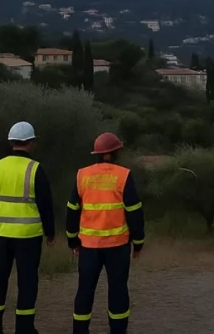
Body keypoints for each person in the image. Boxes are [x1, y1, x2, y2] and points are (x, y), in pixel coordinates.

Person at [0, 121, 56, 334]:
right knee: (27, 283)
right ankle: (24, 328)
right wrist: (50, 232)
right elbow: (45, 204)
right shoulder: (35, 169)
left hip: (1, 236)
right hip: (28, 237)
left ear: (11, 142)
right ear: (31, 143)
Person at [67, 132, 145, 334]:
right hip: (117, 247)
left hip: (88, 247)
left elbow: (72, 209)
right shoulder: (124, 175)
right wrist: (138, 242)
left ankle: (80, 330)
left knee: (85, 291)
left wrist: (72, 240)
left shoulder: (82, 175)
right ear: (114, 152)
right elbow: (134, 211)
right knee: (118, 291)